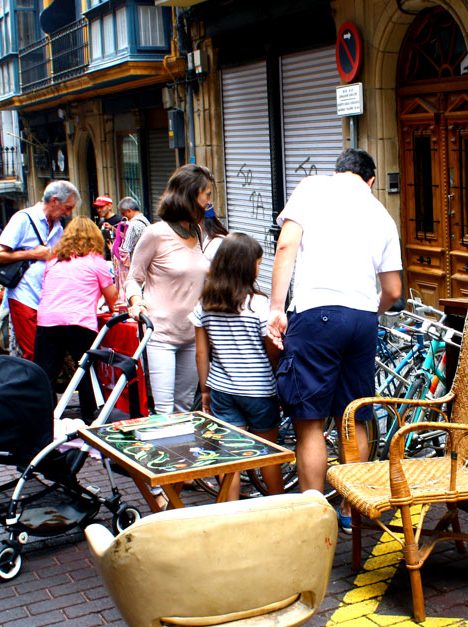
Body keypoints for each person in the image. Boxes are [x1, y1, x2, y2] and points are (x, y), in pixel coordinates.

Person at [267, 148, 402, 531]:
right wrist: (365, 314)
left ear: (338, 171)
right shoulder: (381, 213)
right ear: (370, 180)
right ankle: (350, 508)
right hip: (362, 319)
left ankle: (314, 518)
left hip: (316, 314)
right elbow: (392, 289)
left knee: (309, 421)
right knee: (353, 414)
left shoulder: (312, 187)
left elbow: (285, 246)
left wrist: (276, 308)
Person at [191, 233, 282, 500]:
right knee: (268, 454)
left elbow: (201, 352)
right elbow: (272, 350)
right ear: (246, 266)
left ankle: (230, 510)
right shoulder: (259, 304)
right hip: (259, 391)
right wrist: (279, 381)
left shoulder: (205, 305)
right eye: (257, 262)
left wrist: (205, 391)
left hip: (222, 390)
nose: (259, 267)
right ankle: (280, 505)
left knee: (229, 458)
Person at [126, 164, 212, 415]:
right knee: (164, 411)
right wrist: (136, 301)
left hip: (193, 334)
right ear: (190, 195)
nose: (209, 202)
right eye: (206, 195)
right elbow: (133, 278)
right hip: (160, 334)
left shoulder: (199, 232)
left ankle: (184, 453)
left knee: (184, 408)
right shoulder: (155, 233)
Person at [34, 217, 118, 423]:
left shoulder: (54, 260)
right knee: (86, 371)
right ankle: (91, 419)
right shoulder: (96, 261)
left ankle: (45, 420)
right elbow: (113, 299)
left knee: (46, 373)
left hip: (48, 319)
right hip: (78, 321)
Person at [0, 180, 78, 360]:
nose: (68, 213)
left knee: (49, 354)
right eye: (67, 208)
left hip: (48, 299)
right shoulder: (23, 219)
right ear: (54, 201)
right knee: (33, 354)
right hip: (25, 297)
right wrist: (32, 254)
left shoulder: (58, 227)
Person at [116, 197, 150, 262]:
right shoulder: (145, 220)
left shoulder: (133, 225)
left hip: (138, 262)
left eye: (123, 213)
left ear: (129, 210)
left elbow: (125, 249)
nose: (122, 216)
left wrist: (113, 248)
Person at [94, 195, 119, 261]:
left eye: (101, 207)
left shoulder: (119, 220)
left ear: (110, 206)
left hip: (116, 258)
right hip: (104, 258)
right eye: (97, 208)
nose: (99, 210)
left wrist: (113, 229)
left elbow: (125, 237)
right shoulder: (101, 223)